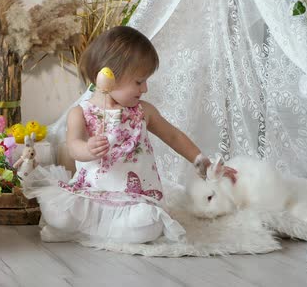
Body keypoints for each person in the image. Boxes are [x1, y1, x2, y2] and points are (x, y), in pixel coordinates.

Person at [23, 26, 236, 244]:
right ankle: (96, 225)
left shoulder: (143, 111)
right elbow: (72, 145)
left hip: (134, 198)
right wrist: (87, 149)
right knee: (60, 214)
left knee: (147, 224)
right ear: (110, 76)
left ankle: (112, 228)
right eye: (139, 81)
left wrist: (201, 162)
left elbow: (173, 136)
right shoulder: (81, 112)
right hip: (91, 194)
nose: (145, 88)